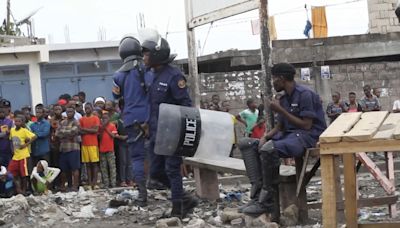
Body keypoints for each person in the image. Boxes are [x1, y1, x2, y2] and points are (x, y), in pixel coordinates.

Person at [238, 63, 326, 222]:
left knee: (268, 149)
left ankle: (267, 200)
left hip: (308, 136)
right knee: (247, 144)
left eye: (274, 79)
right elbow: (280, 125)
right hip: (289, 135)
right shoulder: (284, 98)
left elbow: (306, 125)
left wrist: (279, 110)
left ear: (282, 78)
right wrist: (266, 136)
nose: (273, 82)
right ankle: (257, 196)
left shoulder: (305, 94)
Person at [142, 29, 197, 217]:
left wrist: (183, 135)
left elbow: (186, 105)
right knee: (156, 173)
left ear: (157, 54)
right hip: (156, 133)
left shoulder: (174, 76)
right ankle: (185, 198)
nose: (144, 56)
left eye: (147, 53)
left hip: (172, 132)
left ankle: (178, 210)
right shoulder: (150, 75)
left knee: (172, 170)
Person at [112, 35, 150, 206]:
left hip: (130, 120)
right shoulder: (147, 69)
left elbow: (116, 95)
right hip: (150, 118)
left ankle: (142, 196)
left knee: (136, 158)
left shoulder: (118, 75)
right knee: (157, 153)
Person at [8, 115, 37, 195]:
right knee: (11, 173)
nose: (17, 123)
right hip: (15, 156)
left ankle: (24, 190)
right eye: (16, 121)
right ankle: (18, 188)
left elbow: (34, 137)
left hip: (23, 155)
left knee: (24, 174)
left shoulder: (24, 130)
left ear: (22, 123)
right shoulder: (12, 130)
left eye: (19, 121)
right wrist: (12, 149)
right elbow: (11, 140)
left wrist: (26, 144)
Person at [56, 106, 81, 192]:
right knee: (63, 169)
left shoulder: (76, 122)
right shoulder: (62, 122)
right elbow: (57, 133)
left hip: (73, 148)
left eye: (71, 111)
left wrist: (64, 133)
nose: (69, 113)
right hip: (63, 148)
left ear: (74, 112)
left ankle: (75, 186)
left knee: (75, 168)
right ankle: (64, 186)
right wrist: (67, 134)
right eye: (67, 111)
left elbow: (74, 132)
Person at [79, 103, 101, 190]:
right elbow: (79, 131)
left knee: (94, 164)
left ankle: (94, 182)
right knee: (87, 164)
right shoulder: (82, 119)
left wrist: (84, 129)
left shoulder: (95, 118)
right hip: (84, 144)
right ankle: (89, 182)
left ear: (92, 108)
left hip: (93, 144)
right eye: (86, 108)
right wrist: (90, 130)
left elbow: (95, 130)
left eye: (88, 108)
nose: (87, 109)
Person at [99, 113, 117, 188]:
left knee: (112, 167)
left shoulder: (112, 126)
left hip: (110, 150)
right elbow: (99, 138)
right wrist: (102, 128)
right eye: (103, 118)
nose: (104, 120)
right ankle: (106, 183)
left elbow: (113, 136)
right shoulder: (100, 127)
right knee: (104, 168)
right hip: (102, 150)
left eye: (106, 118)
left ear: (109, 118)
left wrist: (106, 128)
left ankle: (113, 183)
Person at [115, 112, 132, 187]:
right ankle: (122, 180)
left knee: (129, 163)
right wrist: (120, 137)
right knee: (123, 162)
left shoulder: (130, 122)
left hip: (129, 143)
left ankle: (129, 179)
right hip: (121, 144)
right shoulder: (118, 123)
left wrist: (128, 136)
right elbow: (114, 132)